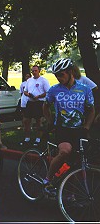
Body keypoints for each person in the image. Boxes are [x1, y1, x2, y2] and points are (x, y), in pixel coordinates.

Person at [43, 58, 95, 193]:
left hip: (78, 130)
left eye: (61, 74)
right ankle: (47, 180)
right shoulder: (54, 90)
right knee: (65, 151)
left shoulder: (84, 89)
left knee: (77, 161)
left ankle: (69, 188)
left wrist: (87, 127)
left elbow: (91, 110)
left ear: (70, 72)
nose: (58, 78)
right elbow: (45, 106)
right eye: (56, 75)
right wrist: (50, 121)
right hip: (62, 129)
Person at [22, 65, 50, 146]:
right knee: (26, 121)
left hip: (39, 102)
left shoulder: (43, 80)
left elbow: (47, 92)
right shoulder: (29, 80)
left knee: (38, 121)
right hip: (30, 102)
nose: (34, 72)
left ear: (39, 71)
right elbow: (25, 91)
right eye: (32, 71)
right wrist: (28, 94)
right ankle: (27, 138)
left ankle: (38, 139)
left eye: (35, 71)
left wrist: (38, 96)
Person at [19, 73, 32, 146]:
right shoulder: (23, 84)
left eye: (28, 76)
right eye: (26, 76)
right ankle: (26, 131)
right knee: (25, 119)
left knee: (29, 119)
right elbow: (21, 93)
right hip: (24, 103)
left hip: (30, 103)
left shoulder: (32, 83)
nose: (27, 77)